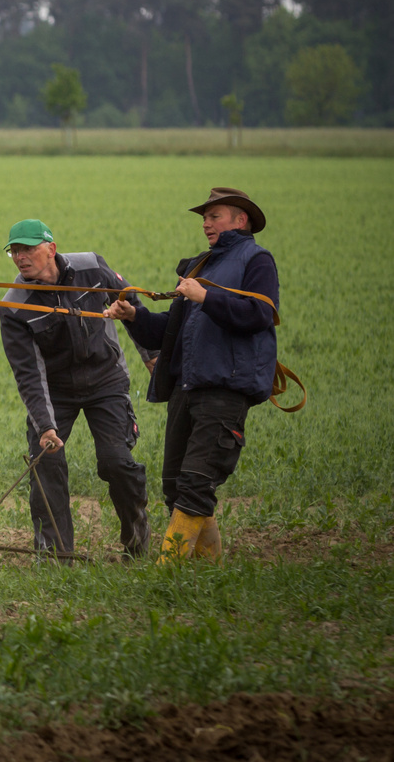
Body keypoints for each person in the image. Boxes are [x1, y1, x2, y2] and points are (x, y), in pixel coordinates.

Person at [103, 187, 278, 563]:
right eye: (204, 217)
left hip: (225, 388)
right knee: (175, 486)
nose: (205, 224)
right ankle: (208, 570)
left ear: (240, 219)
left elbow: (260, 316)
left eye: (214, 216)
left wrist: (206, 297)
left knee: (197, 482)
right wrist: (134, 316)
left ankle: (168, 574)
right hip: (187, 386)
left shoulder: (257, 260)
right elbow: (169, 331)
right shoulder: (200, 267)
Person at [0, 219, 153, 558]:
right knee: (46, 465)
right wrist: (45, 425)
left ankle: (137, 542)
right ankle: (56, 557)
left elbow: (130, 305)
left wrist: (151, 354)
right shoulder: (14, 305)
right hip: (55, 392)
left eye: (28, 249)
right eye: (14, 250)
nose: (20, 257)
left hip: (105, 378)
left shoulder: (92, 267)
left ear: (51, 249)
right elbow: (28, 374)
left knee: (116, 462)